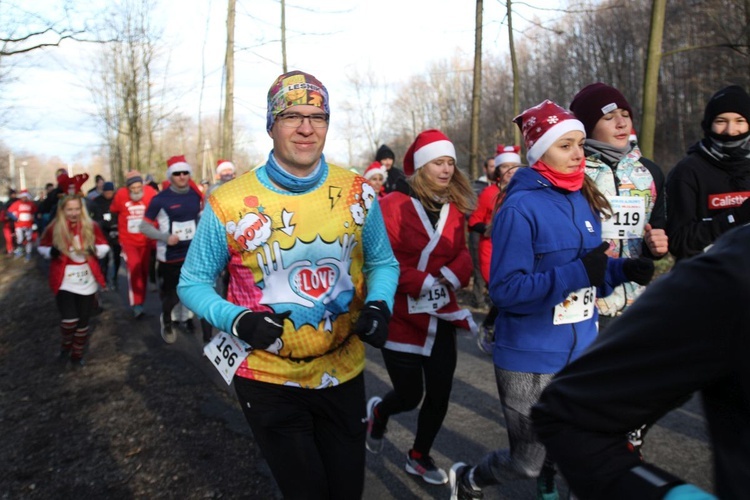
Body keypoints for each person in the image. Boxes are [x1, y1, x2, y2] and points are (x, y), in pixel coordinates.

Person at [177, 70, 399, 499]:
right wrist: (237, 320)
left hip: (343, 370)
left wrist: (379, 305)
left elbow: (383, 262)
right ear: (271, 125)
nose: (306, 127)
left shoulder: (356, 191)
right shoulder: (228, 201)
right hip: (267, 377)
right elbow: (193, 283)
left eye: (317, 116)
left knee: (347, 491)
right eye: (292, 116)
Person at [449, 100, 655, 500]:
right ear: (540, 152)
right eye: (566, 146)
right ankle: (471, 477)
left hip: (582, 348)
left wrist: (622, 271)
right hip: (530, 356)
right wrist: (583, 273)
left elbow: (590, 270)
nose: (578, 153)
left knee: (583, 448)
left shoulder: (582, 197)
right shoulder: (520, 208)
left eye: (580, 143)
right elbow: (507, 291)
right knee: (527, 460)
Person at [531, 224, 750, 500]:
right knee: (526, 460)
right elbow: (569, 414)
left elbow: (655, 233)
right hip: (559, 329)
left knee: (629, 437)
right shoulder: (737, 270)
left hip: (624, 302)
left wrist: (641, 255)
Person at [365, 129, 477, 485]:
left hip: (441, 311)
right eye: (438, 163)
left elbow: (462, 253)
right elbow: (381, 259)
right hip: (402, 316)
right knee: (410, 394)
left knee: (441, 390)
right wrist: (421, 281)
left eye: (450, 163)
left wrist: (449, 275)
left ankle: (418, 455)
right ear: (420, 166)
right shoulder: (390, 206)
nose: (446, 170)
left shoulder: (455, 207)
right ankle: (380, 411)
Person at [570, 82, 668, 333]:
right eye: (609, 117)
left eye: (625, 115)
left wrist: (655, 245)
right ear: (587, 126)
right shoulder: (572, 175)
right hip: (586, 304)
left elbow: (656, 230)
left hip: (638, 303)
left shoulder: (650, 172)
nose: (622, 123)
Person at [666, 84, 750, 261]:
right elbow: (679, 241)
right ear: (708, 125)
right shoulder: (687, 172)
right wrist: (734, 218)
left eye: (739, 121)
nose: (730, 130)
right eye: (721, 121)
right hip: (705, 282)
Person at [38, 178, 109, 368]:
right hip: (64, 279)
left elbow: (103, 246)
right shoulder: (55, 227)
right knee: (70, 320)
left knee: (83, 321)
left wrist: (95, 250)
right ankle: (65, 348)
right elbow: (42, 246)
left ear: (82, 209)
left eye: (77, 209)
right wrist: (50, 251)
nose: (74, 213)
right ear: (63, 210)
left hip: (86, 279)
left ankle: (77, 356)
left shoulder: (91, 226)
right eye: (69, 209)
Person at [140, 155, 203, 344]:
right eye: (177, 173)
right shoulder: (160, 199)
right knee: (172, 294)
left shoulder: (195, 195)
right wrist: (166, 237)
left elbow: (199, 219)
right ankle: (167, 320)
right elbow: (144, 227)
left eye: (185, 173)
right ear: (170, 176)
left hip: (192, 253)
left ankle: (187, 318)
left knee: (192, 290)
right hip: (169, 255)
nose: (182, 176)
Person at [468, 145, 522, 354]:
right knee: (503, 294)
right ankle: (491, 328)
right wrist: (488, 228)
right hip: (492, 251)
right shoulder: (489, 193)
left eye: (514, 166)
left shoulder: (528, 192)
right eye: (505, 167)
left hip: (518, 252)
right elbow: (473, 221)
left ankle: (502, 334)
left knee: (515, 295)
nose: (510, 171)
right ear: (497, 170)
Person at [109, 170, 157, 318]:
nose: (136, 190)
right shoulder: (121, 195)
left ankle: (141, 300)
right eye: (133, 188)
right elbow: (114, 210)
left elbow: (158, 210)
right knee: (134, 270)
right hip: (128, 240)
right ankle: (137, 305)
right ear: (128, 187)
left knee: (144, 271)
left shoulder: (150, 193)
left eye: (138, 187)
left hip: (146, 240)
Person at [90, 181, 121, 290]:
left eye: (110, 192)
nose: (109, 194)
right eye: (106, 192)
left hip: (117, 231)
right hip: (104, 232)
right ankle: (105, 279)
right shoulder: (97, 202)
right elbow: (95, 218)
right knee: (105, 258)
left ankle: (115, 278)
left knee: (117, 257)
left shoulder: (117, 199)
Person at [7, 189, 38, 260]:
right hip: (19, 225)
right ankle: (20, 251)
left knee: (28, 239)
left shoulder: (31, 204)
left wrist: (34, 219)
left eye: (25, 197)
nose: (24, 198)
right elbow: (9, 212)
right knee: (20, 239)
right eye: (23, 197)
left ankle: (28, 253)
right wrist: (15, 218)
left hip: (28, 225)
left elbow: (35, 211)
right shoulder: (17, 203)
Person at [2, 189, 18, 256]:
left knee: (17, 237)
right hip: (8, 223)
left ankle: (16, 249)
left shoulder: (18, 201)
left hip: (17, 223)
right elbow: (4, 213)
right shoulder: (7, 203)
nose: (14, 195)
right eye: (12, 194)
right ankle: (10, 250)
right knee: (9, 238)